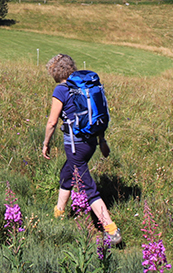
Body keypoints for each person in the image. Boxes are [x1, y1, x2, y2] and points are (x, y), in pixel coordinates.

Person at [42, 53, 121, 245]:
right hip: (91, 142)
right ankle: (59, 214)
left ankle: (111, 230)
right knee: (66, 174)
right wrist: (102, 141)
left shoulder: (61, 90)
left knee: (88, 189)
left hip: (75, 146)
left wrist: (45, 143)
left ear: (54, 71)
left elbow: (52, 122)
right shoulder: (85, 87)